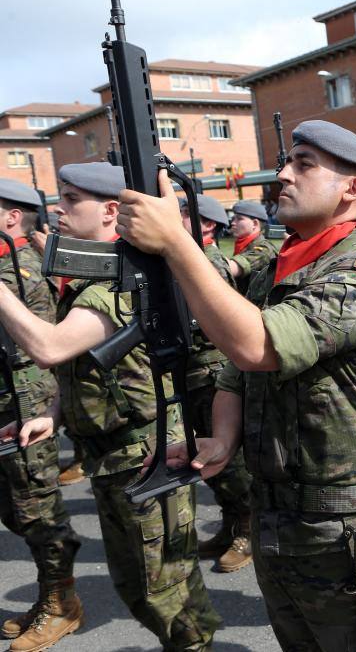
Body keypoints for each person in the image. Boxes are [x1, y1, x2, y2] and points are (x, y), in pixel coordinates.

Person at [116, 120, 356, 651]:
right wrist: (222, 438)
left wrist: (174, 242)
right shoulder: (277, 269)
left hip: (347, 527)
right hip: (277, 514)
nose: (282, 174)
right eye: (287, 161)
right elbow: (238, 370)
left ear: (352, 189)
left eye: (303, 165)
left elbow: (258, 345)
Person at [0, 163, 220, 650]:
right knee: (136, 586)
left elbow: (50, 348)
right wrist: (53, 414)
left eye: (72, 198)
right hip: (111, 456)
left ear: (111, 211)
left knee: (169, 591)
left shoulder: (124, 280)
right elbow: (80, 367)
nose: (59, 208)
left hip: (144, 453)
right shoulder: (92, 280)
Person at [0, 179, 82, 651]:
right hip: (9, 402)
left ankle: (61, 602)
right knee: (15, 508)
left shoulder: (21, 270)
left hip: (27, 401)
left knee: (37, 512)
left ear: (14, 218)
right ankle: (52, 593)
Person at [179, 193, 255, 572]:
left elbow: (214, 325)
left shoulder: (208, 264)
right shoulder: (183, 261)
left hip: (210, 373)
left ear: (206, 225)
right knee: (205, 459)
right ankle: (230, 522)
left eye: (181, 214)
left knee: (228, 460)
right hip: (189, 374)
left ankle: (247, 526)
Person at [227, 200, 278, 295]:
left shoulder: (264, 249)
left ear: (255, 224)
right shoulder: (244, 245)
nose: (233, 223)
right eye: (233, 219)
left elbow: (229, 269)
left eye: (239, 219)